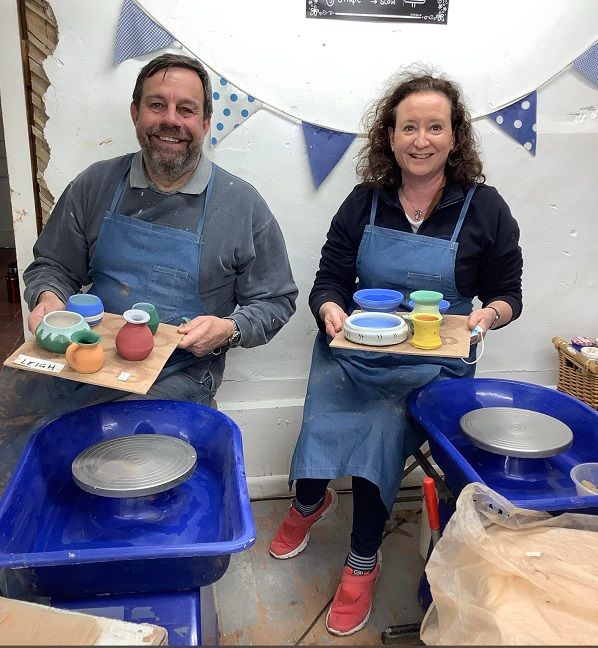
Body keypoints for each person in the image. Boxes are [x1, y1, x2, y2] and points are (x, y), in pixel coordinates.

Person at [269, 69, 523, 636]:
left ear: (456, 137)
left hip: (434, 359)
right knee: (325, 403)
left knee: (382, 425)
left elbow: (510, 295)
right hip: (358, 348)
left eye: (436, 126)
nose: (421, 139)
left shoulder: (485, 208)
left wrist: (486, 318)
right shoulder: (366, 201)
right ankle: (310, 501)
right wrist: (329, 310)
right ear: (390, 135)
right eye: (409, 127)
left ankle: (363, 557)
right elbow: (329, 278)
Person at [0, 53, 297, 491]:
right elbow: (54, 265)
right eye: (157, 105)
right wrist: (48, 297)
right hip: (86, 355)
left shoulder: (241, 205)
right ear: (136, 113)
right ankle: (27, 545)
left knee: (110, 457)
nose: (170, 120)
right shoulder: (96, 184)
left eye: (186, 109)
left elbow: (276, 299)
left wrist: (230, 328)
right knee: (12, 422)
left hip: (179, 371)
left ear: (206, 121)